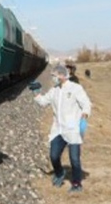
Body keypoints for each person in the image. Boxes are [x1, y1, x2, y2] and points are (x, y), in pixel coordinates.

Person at [34, 64, 92, 193]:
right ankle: (60, 173)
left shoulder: (75, 88)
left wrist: (85, 114)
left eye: (54, 76)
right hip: (58, 129)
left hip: (72, 129)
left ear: (61, 75)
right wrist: (36, 93)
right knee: (53, 156)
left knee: (74, 159)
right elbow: (43, 102)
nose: (53, 78)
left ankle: (77, 184)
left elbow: (86, 103)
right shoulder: (54, 90)